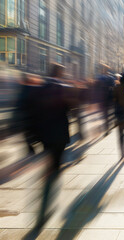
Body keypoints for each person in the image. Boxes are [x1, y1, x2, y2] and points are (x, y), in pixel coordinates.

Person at [35, 64, 72, 231]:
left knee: (51, 166)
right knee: (54, 169)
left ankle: (45, 208)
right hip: (59, 136)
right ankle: (45, 209)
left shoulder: (41, 88)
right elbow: (69, 108)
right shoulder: (62, 88)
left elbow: (34, 111)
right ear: (60, 73)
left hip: (45, 135)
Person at [96, 64, 115, 134]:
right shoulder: (111, 78)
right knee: (108, 113)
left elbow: (96, 89)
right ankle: (107, 127)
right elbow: (113, 88)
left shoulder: (98, 78)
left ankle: (106, 127)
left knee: (104, 113)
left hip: (102, 98)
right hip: (109, 98)